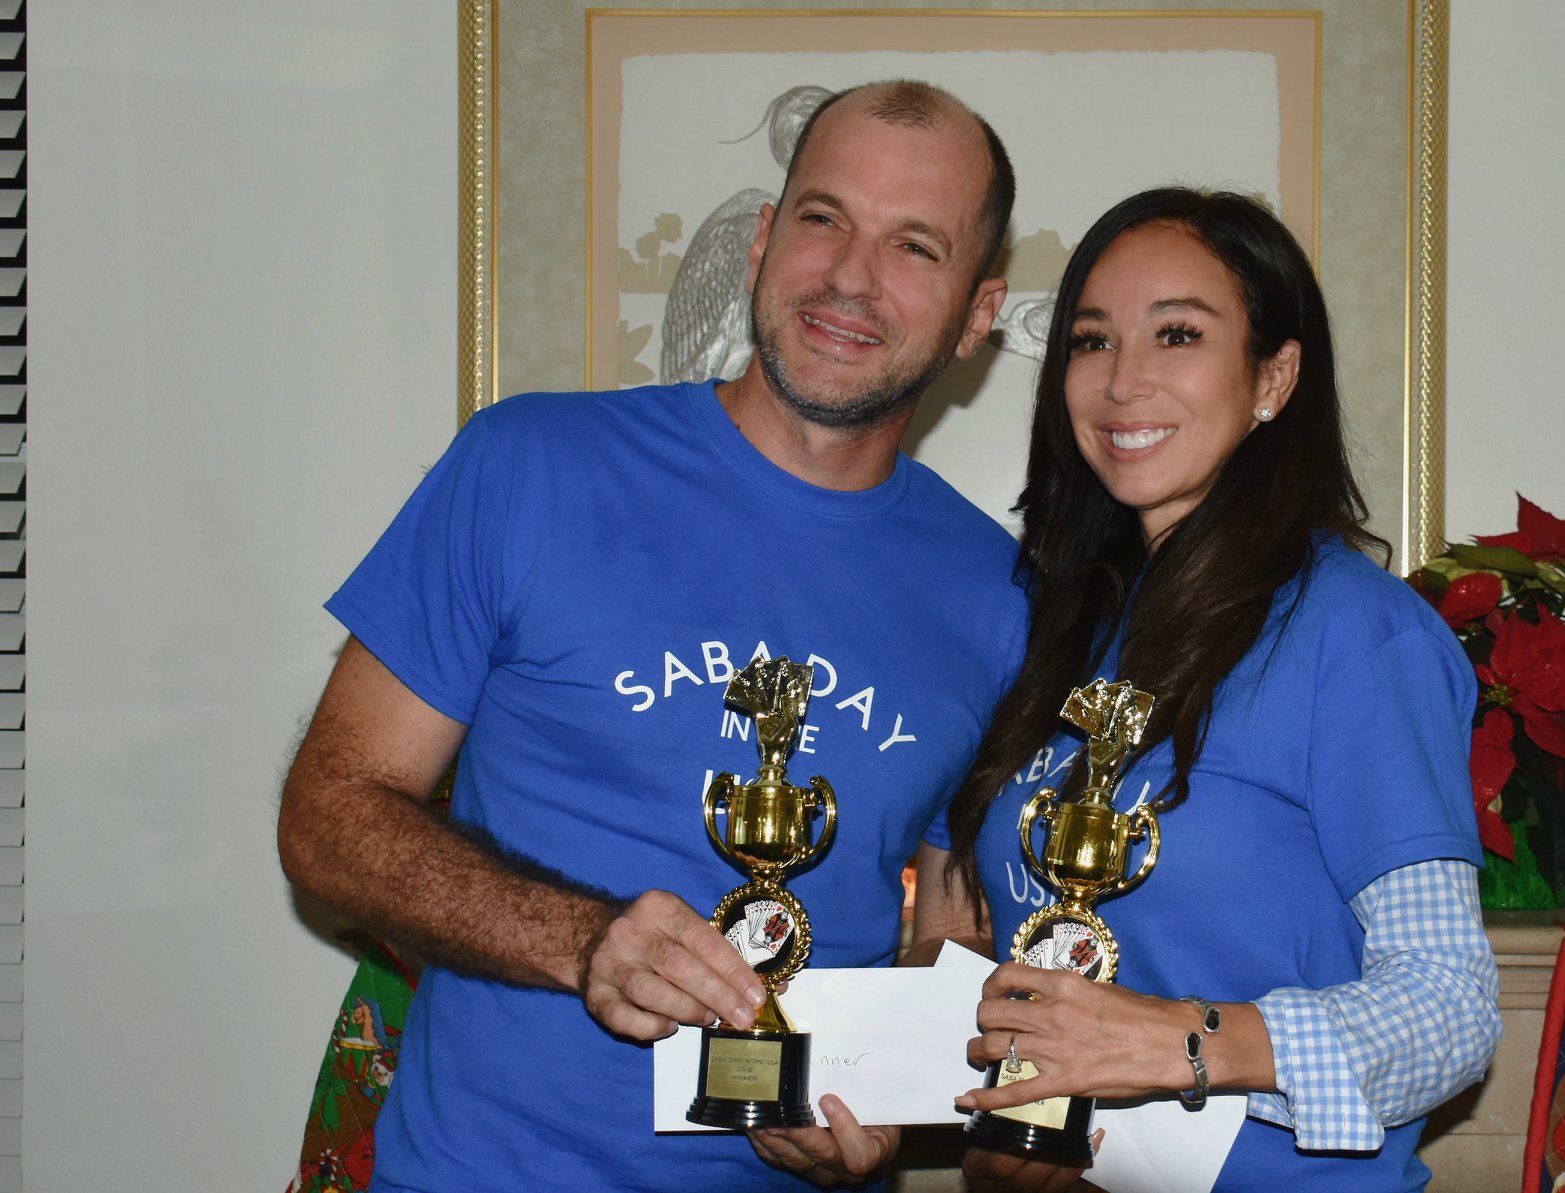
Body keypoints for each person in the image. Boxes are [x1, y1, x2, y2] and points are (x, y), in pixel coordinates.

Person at [278, 80, 1025, 1192]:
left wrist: (893, 1090)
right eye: (822, 218)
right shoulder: (527, 466)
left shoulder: (1005, 597)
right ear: (764, 241)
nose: (849, 275)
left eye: (914, 246)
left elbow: (949, 930)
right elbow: (329, 813)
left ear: (976, 313)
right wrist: (579, 939)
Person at [926, 188, 1502, 1191]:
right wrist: (998, 1101)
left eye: (1178, 334)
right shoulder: (1054, 624)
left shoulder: (1355, 633)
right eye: (1092, 340)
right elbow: (991, 936)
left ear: (1273, 377)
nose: (1123, 381)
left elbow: (1448, 1010)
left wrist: (1183, 1044)